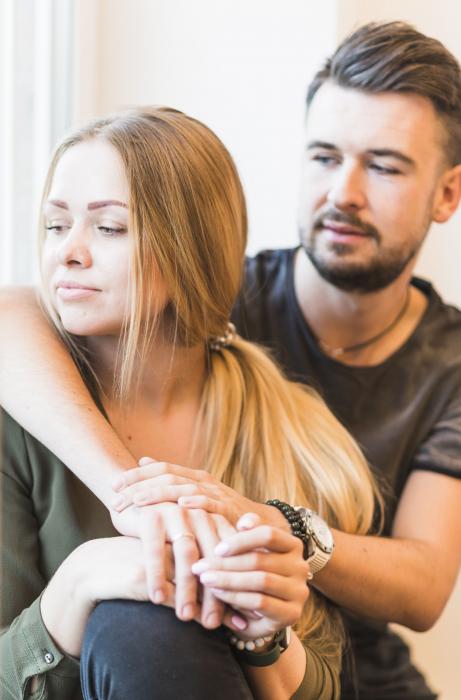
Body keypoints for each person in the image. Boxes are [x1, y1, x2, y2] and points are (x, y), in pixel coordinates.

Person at [2, 19, 461, 700]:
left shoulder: (302, 424)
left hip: (357, 678)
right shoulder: (208, 302)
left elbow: (421, 589)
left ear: (447, 192)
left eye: (385, 165)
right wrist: (134, 515)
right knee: (138, 622)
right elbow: (13, 316)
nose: (343, 193)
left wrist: (286, 558)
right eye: (323, 156)